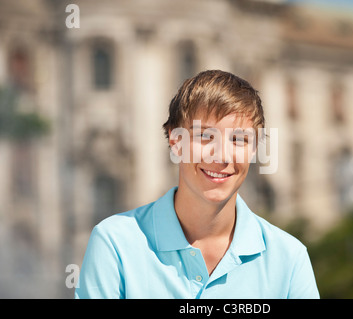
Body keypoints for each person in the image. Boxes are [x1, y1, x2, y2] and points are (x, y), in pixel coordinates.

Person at [75, 70, 319, 299]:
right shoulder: (114, 244)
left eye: (239, 139)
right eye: (205, 136)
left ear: (254, 149)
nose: (222, 155)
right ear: (175, 141)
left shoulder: (289, 258)